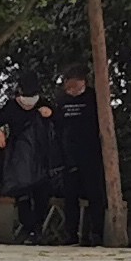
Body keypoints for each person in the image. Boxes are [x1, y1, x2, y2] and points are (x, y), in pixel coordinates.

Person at [0, 84, 61, 243]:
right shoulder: (11, 107)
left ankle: (38, 229)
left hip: (42, 159)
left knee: (42, 194)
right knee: (22, 195)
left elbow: (60, 123)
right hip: (19, 159)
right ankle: (29, 228)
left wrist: (51, 114)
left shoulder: (44, 103)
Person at [49, 69, 104, 244]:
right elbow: (56, 125)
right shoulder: (62, 101)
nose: (70, 89)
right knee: (70, 197)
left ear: (82, 82)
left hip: (91, 154)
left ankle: (96, 233)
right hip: (68, 156)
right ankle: (70, 234)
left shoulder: (93, 98)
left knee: (95, 195)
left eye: (74, 85)